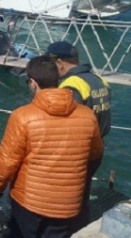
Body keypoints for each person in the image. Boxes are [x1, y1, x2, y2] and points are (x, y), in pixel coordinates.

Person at [0, 55, 103, 238]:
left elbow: (7, 164)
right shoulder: (88, 116)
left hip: (29, 203)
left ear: (33, 83)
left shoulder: (22, 116)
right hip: (68, 205)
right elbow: (96, 154)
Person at [46, 40, 112, 232]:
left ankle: (66, 230)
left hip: (77, 153)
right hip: (97, 149)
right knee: (82, 193)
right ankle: (79, 226)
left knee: (65, 199)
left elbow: (66, 125)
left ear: (59, 63)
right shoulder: (100, 81)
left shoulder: (71, 86)